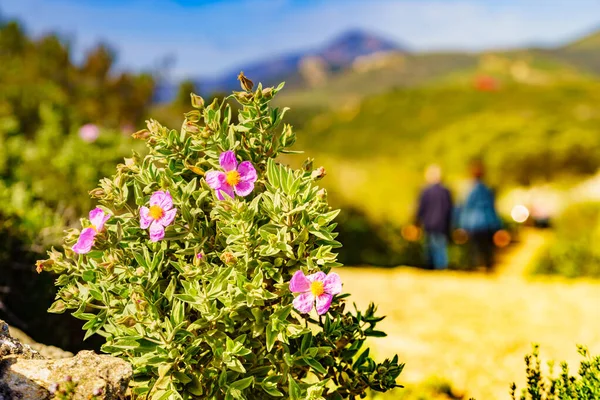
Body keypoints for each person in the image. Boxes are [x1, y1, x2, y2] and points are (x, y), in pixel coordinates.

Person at [458, 160, 502, 271]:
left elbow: (465, 208)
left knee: (474, 248)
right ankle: (487, 267)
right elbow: (492, 208)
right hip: (486, 223)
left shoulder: (469, 190)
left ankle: (476, 267)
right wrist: (497, 226)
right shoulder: (487, 189)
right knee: (487, 248)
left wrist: (462, 225)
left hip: (473, 223)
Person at [415, 164, 453, 269]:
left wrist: (416, 222)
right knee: (440, 246)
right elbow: (450, 209)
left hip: (428, 223)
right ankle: (441, 267)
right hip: (442, 223)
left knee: (430, 246)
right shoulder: (446, 191)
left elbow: (421, 208)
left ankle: (431, 267)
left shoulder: (426, 191)